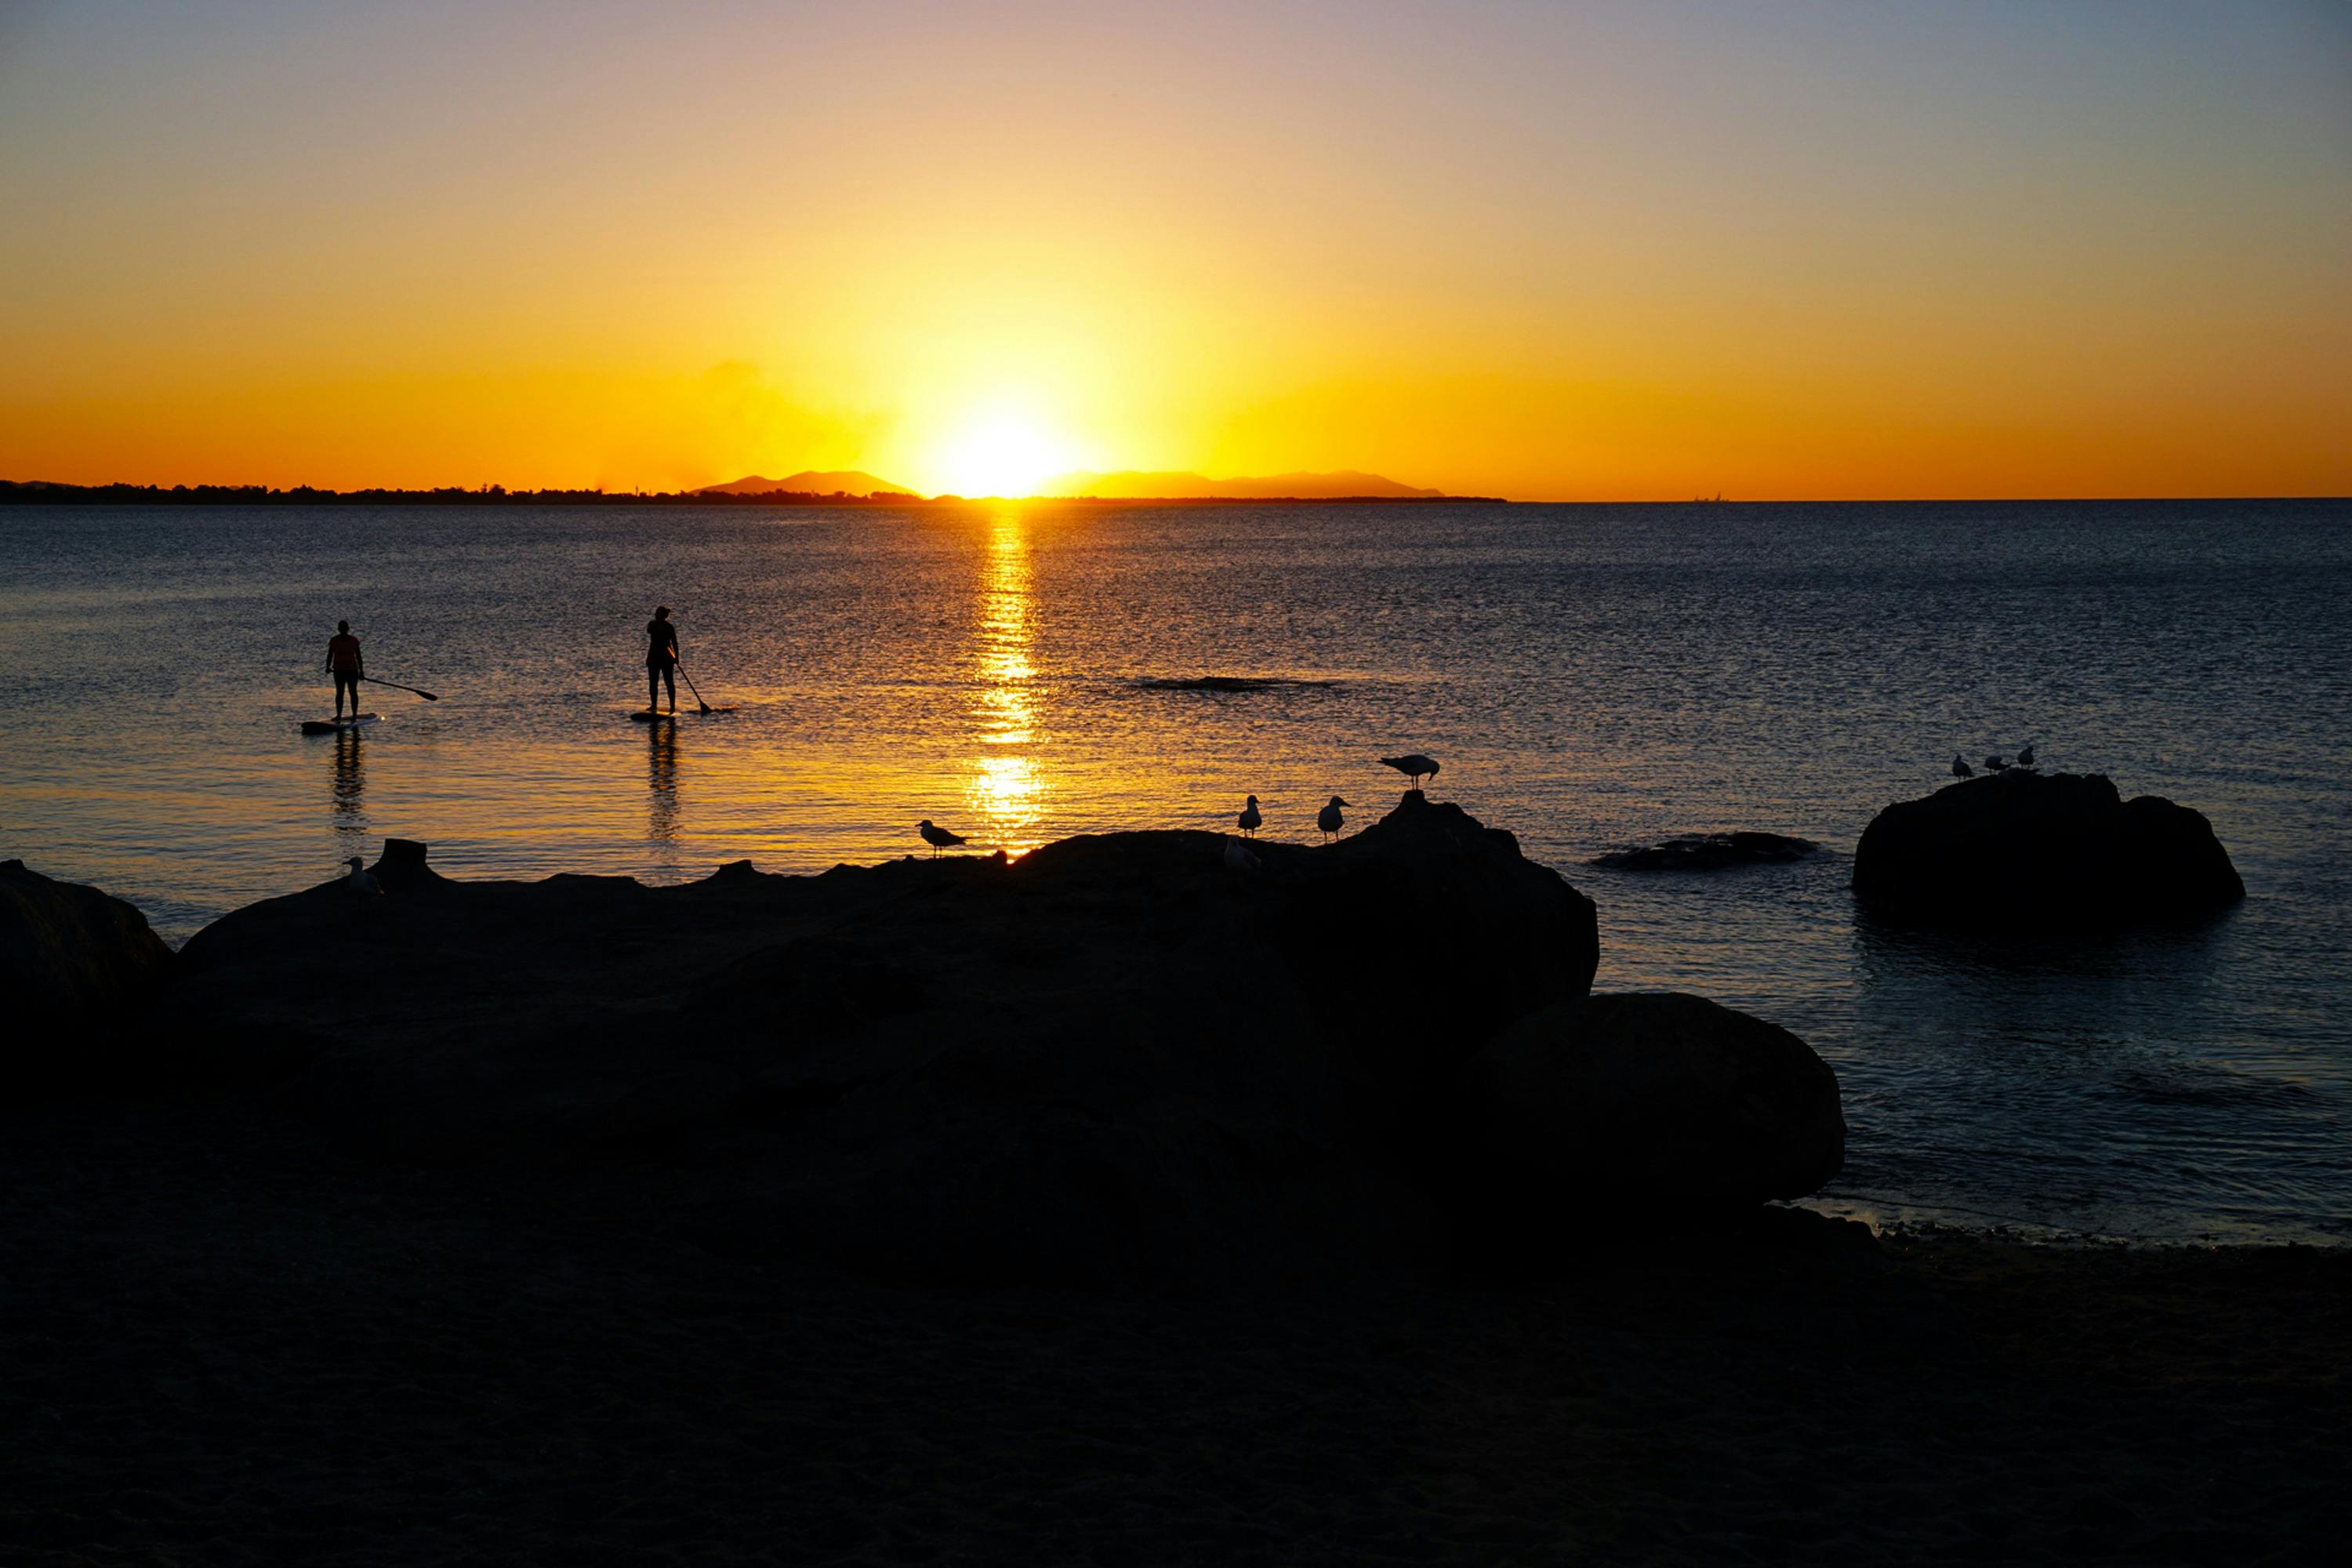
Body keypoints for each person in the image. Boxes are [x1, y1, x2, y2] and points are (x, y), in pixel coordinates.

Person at [325, 620, 364, 719]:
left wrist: (361, 671)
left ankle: (354, 715)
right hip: (339, 670)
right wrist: (327, 667)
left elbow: (358, 657)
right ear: (339, 629)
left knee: (353, 692)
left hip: (352, 670)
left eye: (344, 628)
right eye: (341, 628)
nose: (343, 630)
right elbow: (330, 655)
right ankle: (339, 715)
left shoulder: (354, 640)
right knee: (339, 693)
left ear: (347, 629)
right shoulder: (334, 641)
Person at [645, 606, 679, 713]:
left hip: (667, 658)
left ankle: (672, 706)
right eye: (656, 613)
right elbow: (649, 630)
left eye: (658, 613)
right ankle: (654, 705)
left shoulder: (669, 627)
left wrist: (676, 657)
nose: (656, 615)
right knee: (653, 682)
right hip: (653, 657)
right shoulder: (652, 624)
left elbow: (674, 643)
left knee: (669, 682)